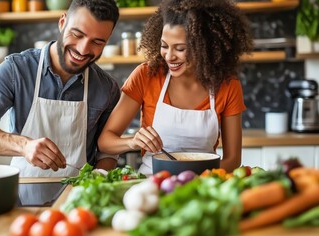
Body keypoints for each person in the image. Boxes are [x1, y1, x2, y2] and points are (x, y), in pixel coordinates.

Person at [0, 0, 121, 177]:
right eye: (77, 34)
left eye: (97, 42)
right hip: (24, 197)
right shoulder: (17, 70)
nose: (83, 49)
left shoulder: (107, 88)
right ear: (62, 23)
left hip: (78, 198)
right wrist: (24, 146)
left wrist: (97, 180)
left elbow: (107, 151)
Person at [98, 0, 253, 174]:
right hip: (151, 181)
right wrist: (132, 142)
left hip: (202, 184)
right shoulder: (146, 75)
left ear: (205, 47)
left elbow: (233, 159)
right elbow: (105, 141)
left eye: (180, 48)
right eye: (164, 46)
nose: (169, 56)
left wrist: (198, 176)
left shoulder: (227, 84)